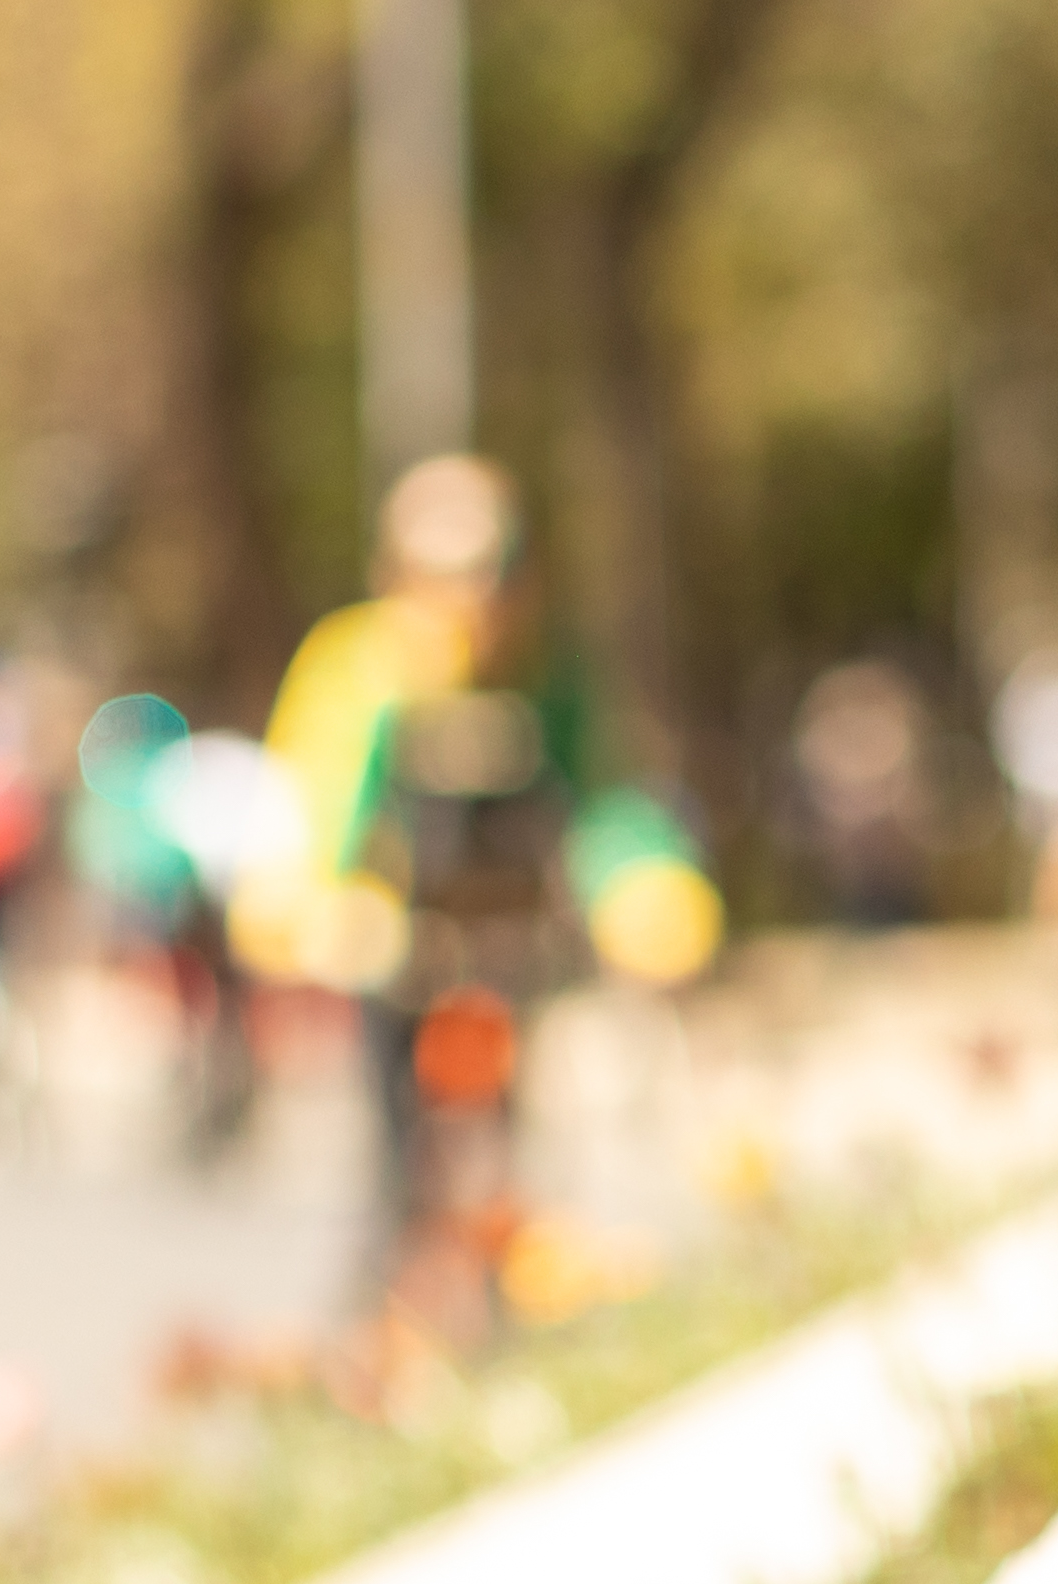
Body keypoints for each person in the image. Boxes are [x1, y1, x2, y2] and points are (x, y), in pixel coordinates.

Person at [241, 452, 717, 1309]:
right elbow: (310, 806)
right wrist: (314, 906)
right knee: (396, 1152)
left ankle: (499, 1278)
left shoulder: (548, 678)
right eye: (443, 577)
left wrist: (643, 888)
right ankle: (389, 1287)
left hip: (509, 953)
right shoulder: (357, 668)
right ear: (394, 577)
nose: (472, 604)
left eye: (491, 577)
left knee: (509, 1142)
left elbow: (604, 800)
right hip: (393, 956)